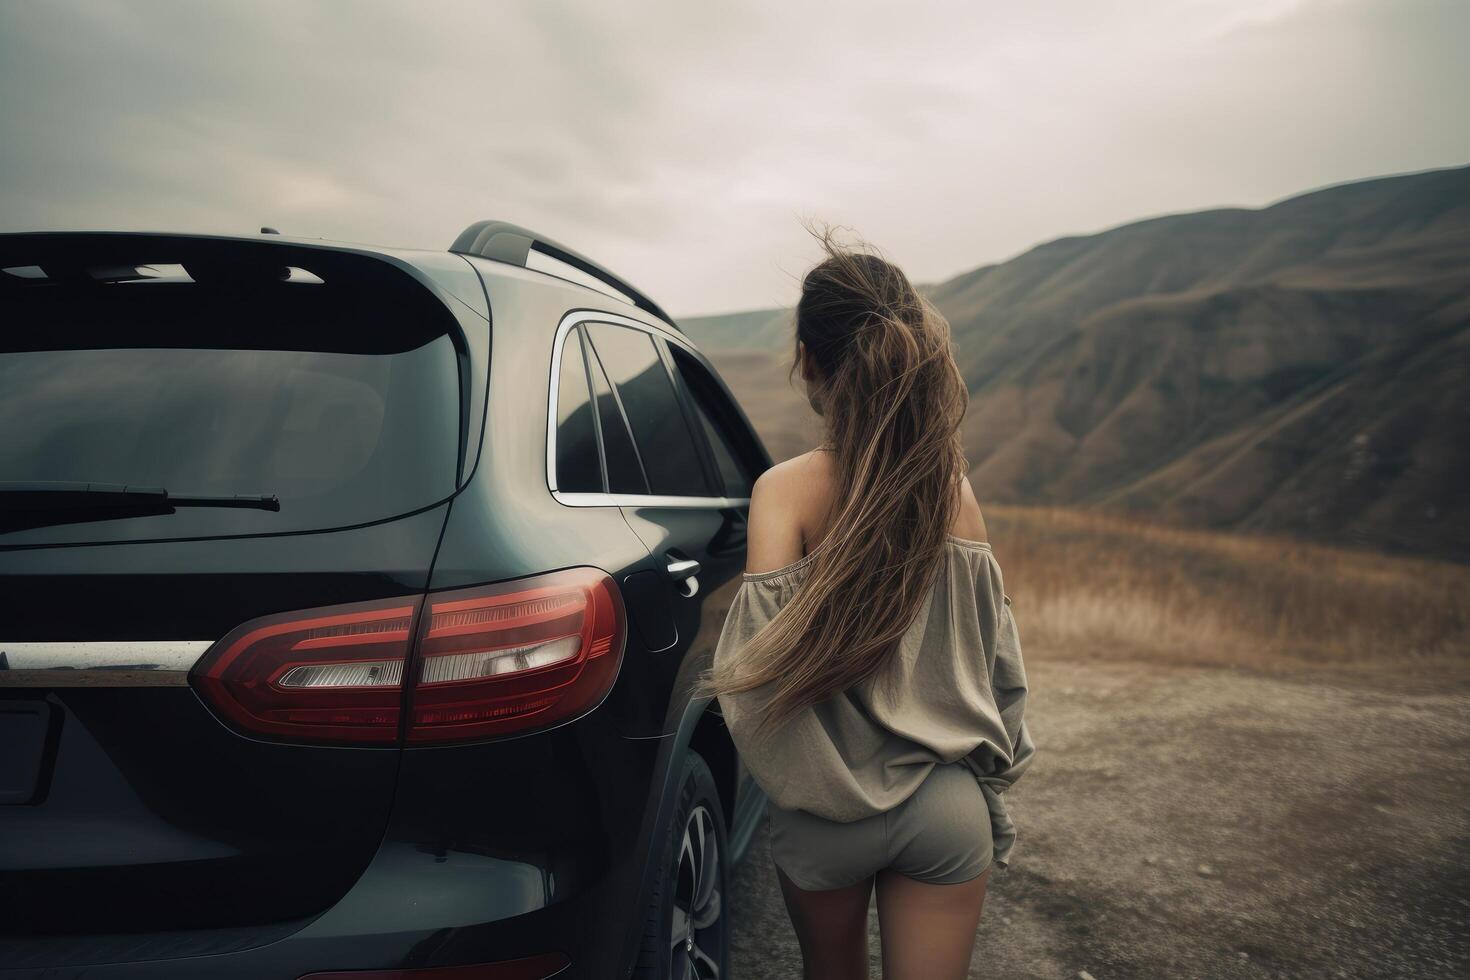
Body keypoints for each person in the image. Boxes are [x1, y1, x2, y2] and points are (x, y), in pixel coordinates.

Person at [700, 228, 1036, 980]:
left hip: (823, 814)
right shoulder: (957, 493)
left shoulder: (782, 492)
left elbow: (752, 685)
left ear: (808, 362)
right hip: (945, 806)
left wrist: (796, 788)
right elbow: (1002, 674)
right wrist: (989, 786)